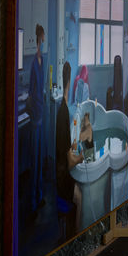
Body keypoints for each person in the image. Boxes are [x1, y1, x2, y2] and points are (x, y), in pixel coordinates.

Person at [55, 61, 82, 239]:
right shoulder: (64, 112)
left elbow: (64, 147)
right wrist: (81, 157)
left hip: (60, 172)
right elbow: (70, 161)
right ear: (70, 82)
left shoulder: (62, 109)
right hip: (63, 180)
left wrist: (72, 147)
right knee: (81, 197)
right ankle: (77, 239)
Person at [28, 23, 46, 215]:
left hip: (40, 113)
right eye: (42, 38)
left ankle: (39, 196)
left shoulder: (42, 60)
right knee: (34, 159)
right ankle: (32, 202)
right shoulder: (34, 62)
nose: (42, 41)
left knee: (39, 158)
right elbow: (32, 93)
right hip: (35, 117)